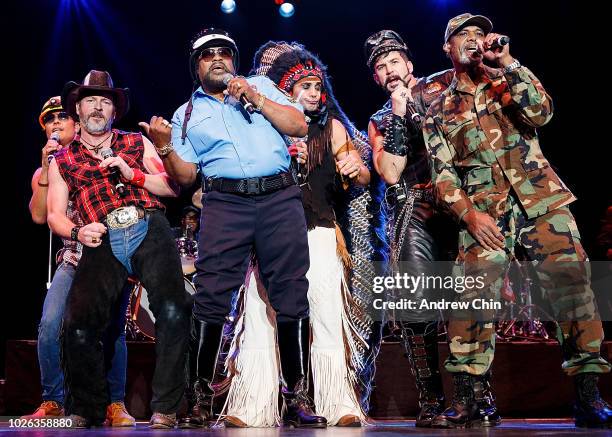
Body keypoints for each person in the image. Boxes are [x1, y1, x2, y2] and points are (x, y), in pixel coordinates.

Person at [423, 13, 612, 428]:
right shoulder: (437, 105)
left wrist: (508, 63)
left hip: (541, 198)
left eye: (479, 33)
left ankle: (587, 394)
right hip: (484, 212)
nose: (473, 40)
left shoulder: (507, 79)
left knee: (573, 286)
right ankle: (470, 398)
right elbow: (442, 171)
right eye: (463, 35)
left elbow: (542, 113)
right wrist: (468, 214)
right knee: (472, 293)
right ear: (447, 48)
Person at [140, 28, 326, 428]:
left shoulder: (260, 86)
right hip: (225, 203)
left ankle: (297, 396)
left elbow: (298, 125)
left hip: (278, 197)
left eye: (225, 52)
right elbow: (186, 176)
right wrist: (165, 147)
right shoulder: (185, 114)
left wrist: (256, 98)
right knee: (212, 297)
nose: (218, 59)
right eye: (208, 55)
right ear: (197, 66)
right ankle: (203, 399)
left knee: (292, 292)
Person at [221, 41, 371, 428]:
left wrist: (356, 166)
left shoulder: (332, 127)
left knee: (325, 314)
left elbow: (361, 174)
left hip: (318, 231)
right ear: (285, 91)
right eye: (304, 86)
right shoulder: (263, 127)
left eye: (317, 87)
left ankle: (337, 402)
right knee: (260, 313)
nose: (313, 93)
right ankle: (252, 404)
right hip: (269, 231)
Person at [364, 30, 501, 428]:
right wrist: (397, 115)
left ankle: (476, 395)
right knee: (417, 306)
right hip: (418, 212)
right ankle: (429, 398)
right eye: (379, 67)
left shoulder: (445, 87)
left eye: (393, 62)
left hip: (464, 209)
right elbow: (390, 172)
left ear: (409, 63)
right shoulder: (380, 118)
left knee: (473, 302)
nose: (388, 70)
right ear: (376, 78)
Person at [47, 70, 191, 428]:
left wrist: (134, 174)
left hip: (148, 224)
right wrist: (78, 232)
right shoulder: (62, 160)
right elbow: (53, 215)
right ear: (77, 110)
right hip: (102, 235)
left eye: (105, 101)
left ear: (114, 110)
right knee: (78, 324)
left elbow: (172, 187)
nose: (98, 107)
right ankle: (88, 408)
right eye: (90, 101)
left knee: (173, 309)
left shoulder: (136, 143)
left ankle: (167, 407)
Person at [24, 96, 135, 427]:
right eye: (49, 120)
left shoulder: (106, 156)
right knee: (49, 325)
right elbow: (40, 215)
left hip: (111, 258)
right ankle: (53, 400)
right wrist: (45, 167)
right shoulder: (46, 170)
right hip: (74, 259)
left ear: (78, 122)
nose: (55, 124)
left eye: (61, 117)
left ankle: (115, 403)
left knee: (112, 330)